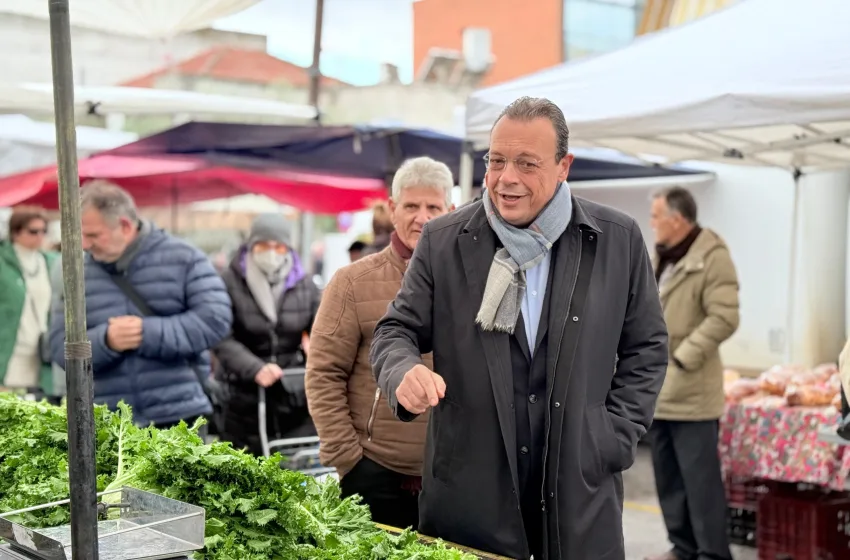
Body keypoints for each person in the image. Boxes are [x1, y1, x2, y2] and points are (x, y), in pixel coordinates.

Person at [369, 96, 669, 560]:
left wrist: (611, 436)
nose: (506, 177)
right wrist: (401, 372)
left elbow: (647, 347)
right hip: (471, 485)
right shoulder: (445, 240)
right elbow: (395, 331)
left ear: (563, 166)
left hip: (578, 486)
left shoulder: (617, 239)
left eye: (527, 164)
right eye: (498, 160)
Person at [306, 157, 454, 530]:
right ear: (392, 209)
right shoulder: (352, 283)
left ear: (451, 211)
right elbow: (324, 372)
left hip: (454, 477)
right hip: (375, 474)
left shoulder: (472, 283)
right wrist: (349, 460)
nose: (422, 217)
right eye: (411, 206)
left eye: (433, 207)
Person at [49, 181, 232, 429]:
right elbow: (59, 347)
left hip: (179, 416)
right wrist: (105, 341)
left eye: (92, 235)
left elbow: (216, 320)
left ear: (125, 226)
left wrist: (146, 333)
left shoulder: (184, 258)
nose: (84, 245)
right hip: (109, 422)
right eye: (80, 236)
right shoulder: (75, 272)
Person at [645, 187, 739, 560]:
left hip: (693, 391)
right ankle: (682, 547)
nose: (652, 224)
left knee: (700, 484)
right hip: (659, 390)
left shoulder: (712, 257)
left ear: (678, 219)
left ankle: (713, 553)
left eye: (656, 217)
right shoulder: (663, 257)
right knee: (668, 479)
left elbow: (725, 316)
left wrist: (683, 357)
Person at [214, 213, 321, 456]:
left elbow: (323, 329)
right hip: (241, 395)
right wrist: (254, 368)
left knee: (290, 468)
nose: (271, 252)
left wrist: (318, 353)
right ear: (251, 245)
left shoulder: (304, 284)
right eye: (263, 245)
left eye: (279, 246)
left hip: (290, 393)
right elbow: (219, 335)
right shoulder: (229, 282)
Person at [0, 210, 57, 395]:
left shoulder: (51, 262)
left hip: (41, 351)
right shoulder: (3, 262)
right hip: (9, 350)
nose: (40, 236)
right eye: (33, 231)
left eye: (43, 231)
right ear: (16, 232)